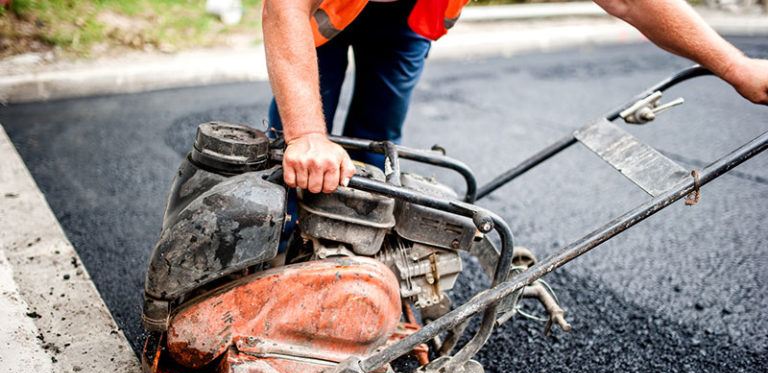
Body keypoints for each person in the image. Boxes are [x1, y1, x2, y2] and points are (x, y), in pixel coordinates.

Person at [263, 0, 768, 195]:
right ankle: (263, 256)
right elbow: (284, 5)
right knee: (293, 152)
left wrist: (735, 65)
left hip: (408, 21)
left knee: (376, 147)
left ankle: (349, 263)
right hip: (316, 13)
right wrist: (306, 134)